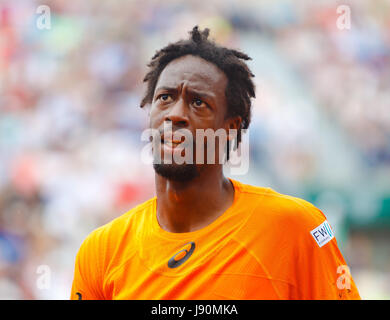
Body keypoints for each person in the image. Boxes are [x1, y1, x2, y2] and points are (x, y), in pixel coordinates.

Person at [70, 26, 360, 300]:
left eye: (198, 103)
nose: (175, 115)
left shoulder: (295, 228)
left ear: (230, 129)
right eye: (165, 98)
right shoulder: (101, 252)